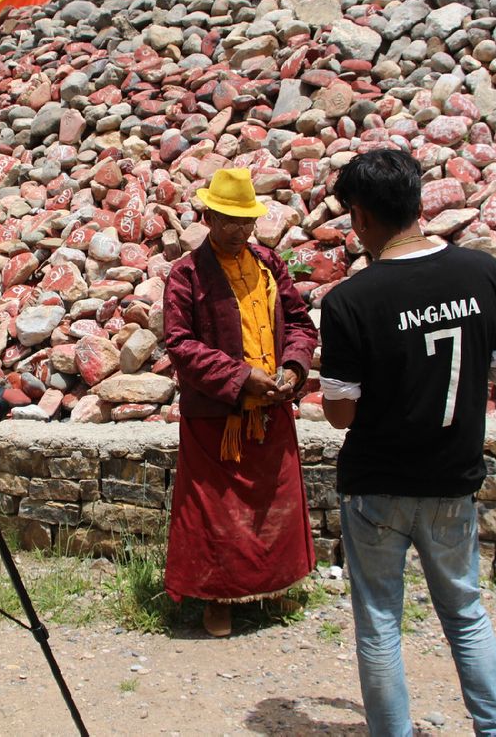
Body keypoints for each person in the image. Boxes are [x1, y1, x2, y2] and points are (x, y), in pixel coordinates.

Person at [318, 149, 496, 736]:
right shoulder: (484, 273)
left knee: (380, 622)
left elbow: (339, 413)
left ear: (359, 217)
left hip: (378, 483)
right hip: (452, 478)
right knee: (466, 613)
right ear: (417, 202)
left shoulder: (348, 301)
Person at [163, 167, 318, 638]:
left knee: (275, 502)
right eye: (229, 220)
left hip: (270, 409)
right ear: (208, 217)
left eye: (246, 221)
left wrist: (292, 367)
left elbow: (299, 323)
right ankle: (217, 598)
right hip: (218, 416)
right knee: (216, 511)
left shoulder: (270, 263)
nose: (239, 230)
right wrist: (239, 376)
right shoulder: (186, 274)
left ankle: (272, 584)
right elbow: (180, 343)